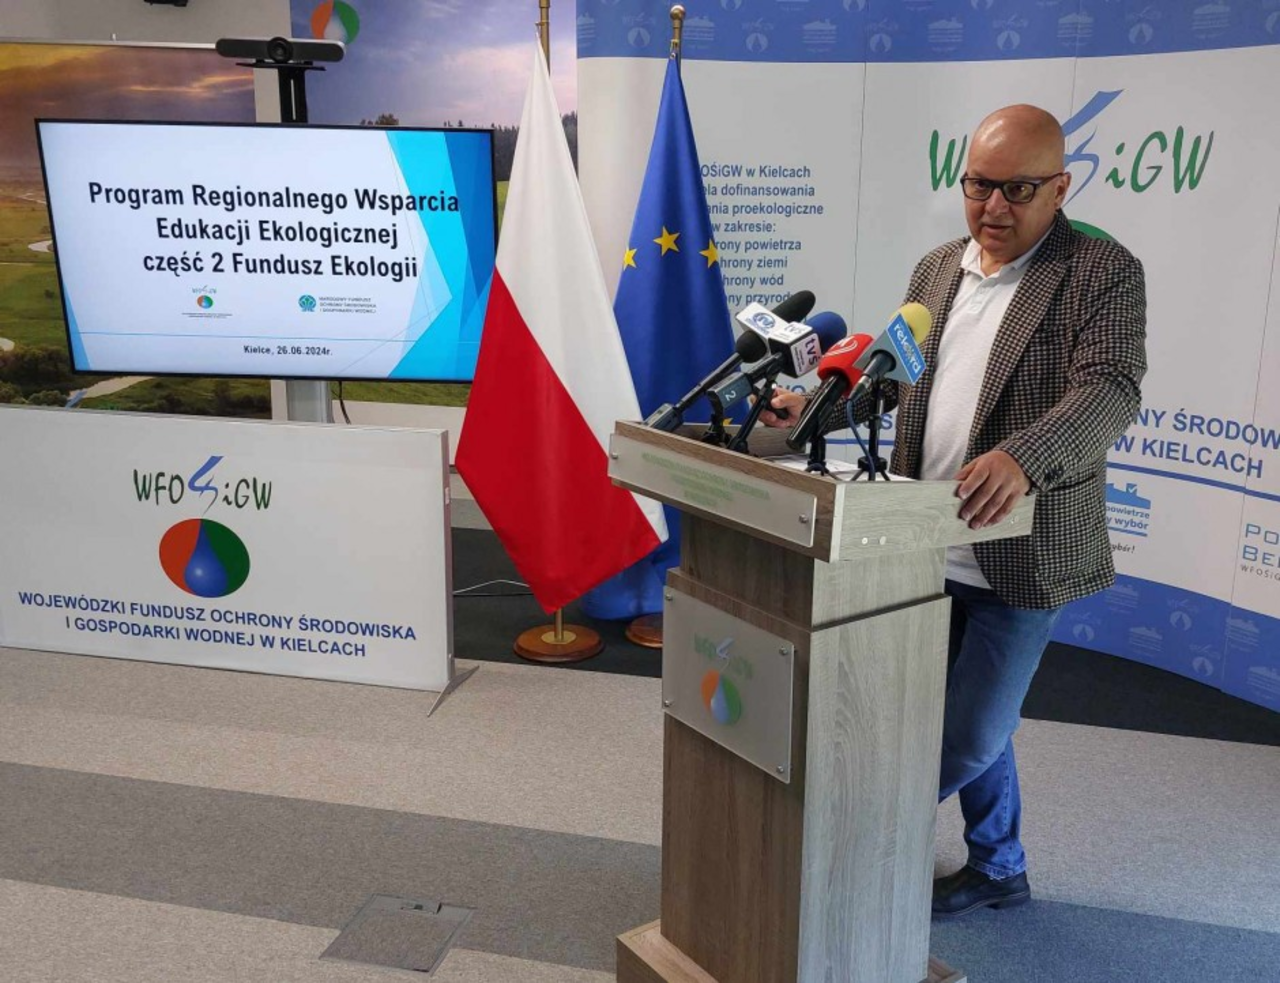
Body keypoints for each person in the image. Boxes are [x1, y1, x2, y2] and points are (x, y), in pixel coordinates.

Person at [762, 105, 1147, 919]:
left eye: (1018, 189)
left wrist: (1025, 456)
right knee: (961, 721)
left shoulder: (1100, 271)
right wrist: (814, 409)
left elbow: (1110, 388)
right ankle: (999, 866)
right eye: (978, 185)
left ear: (1060, 188)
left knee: (969, 733)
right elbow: (891, 382)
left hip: (1018, 550)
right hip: (918, 539)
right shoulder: (937, 268)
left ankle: (844, 827)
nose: (993, 207)